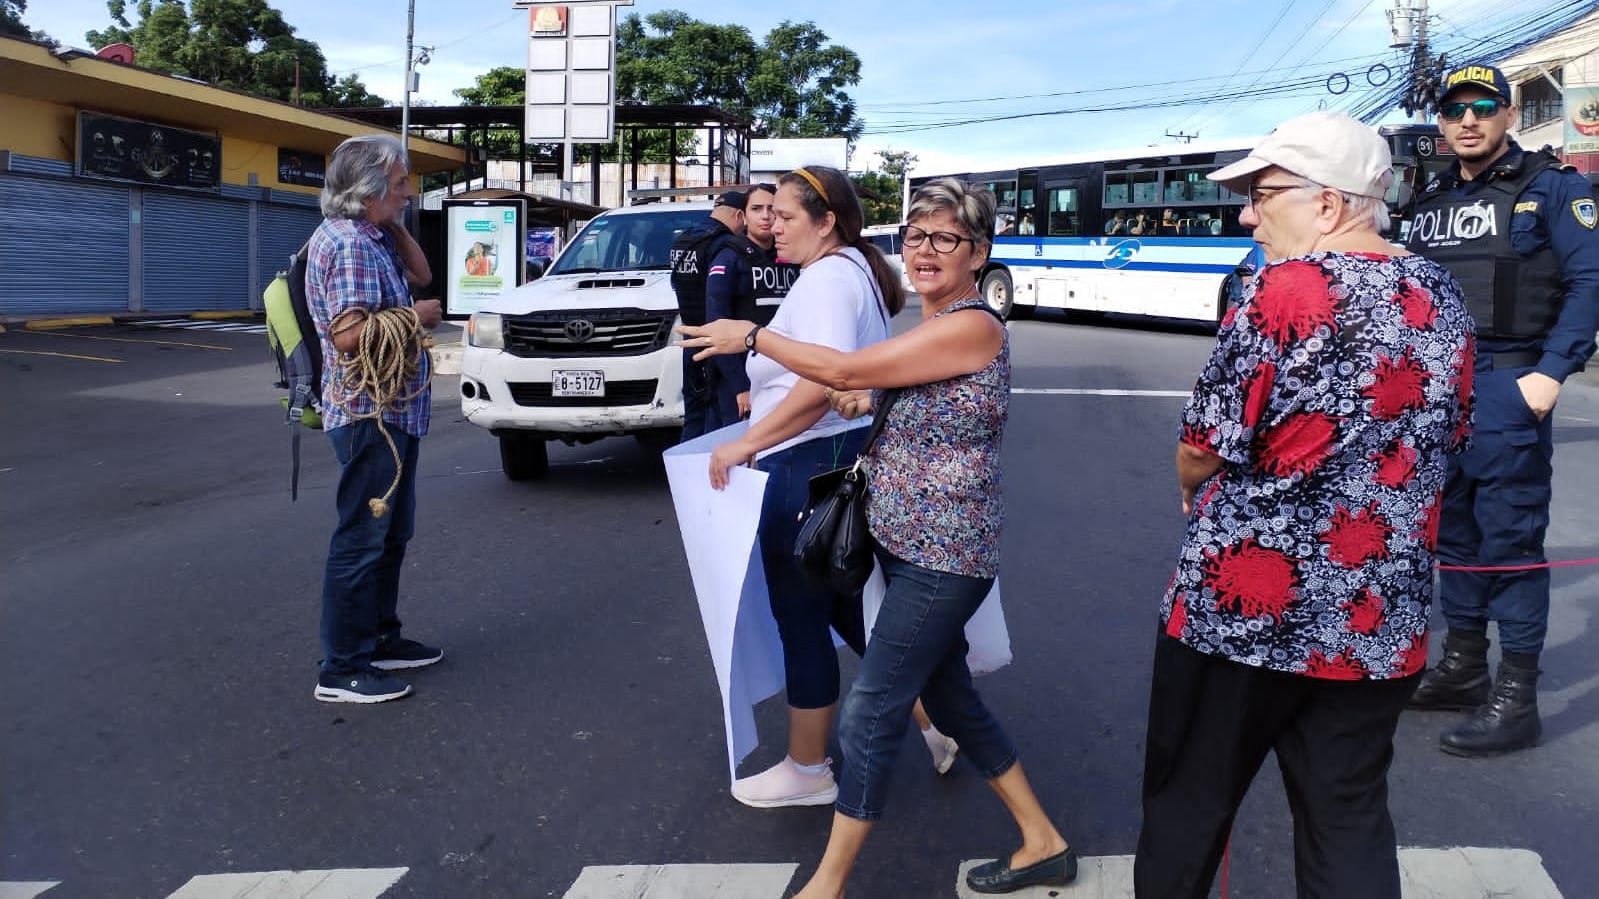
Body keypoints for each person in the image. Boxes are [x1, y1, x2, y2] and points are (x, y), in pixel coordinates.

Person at [682, 177, 1073, 897]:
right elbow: (888, 389)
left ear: (978, 252)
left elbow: (840, 364)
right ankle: (1042, 840)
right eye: (916, 236)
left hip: (942, 557)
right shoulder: (931, 326)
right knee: (950, 701)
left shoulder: (973, 325)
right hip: (906, 542)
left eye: (946, 238)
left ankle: (826, 886)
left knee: (871, 711)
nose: (925, 250)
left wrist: (755, 337)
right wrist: (865, 397)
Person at [1133, 111, 1475, 898]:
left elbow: (1203, 442)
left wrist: (1189, 481)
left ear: (1325, 203)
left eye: (1260, 195)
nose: (1247, 217)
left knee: (1189, 805)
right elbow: (1450, 431)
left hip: (1244, 615)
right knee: (1346, 818)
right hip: (1375, 616)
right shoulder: (1442, 293)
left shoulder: (1286, 289)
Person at [1404, 64, 1599, 757]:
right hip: (1437, 390)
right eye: (1454, 109)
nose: (1468, 121)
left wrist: (1549, 374)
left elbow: (1590, 281)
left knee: (1510, 541)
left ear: (1508, 115)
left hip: (1507, 382)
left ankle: (1517, 698)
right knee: (1453, 534)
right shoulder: (1430, 199)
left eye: (1483, 107)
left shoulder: (1554, 188)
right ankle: (1463, 666)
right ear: (1440, 121)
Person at [304, 134, 444, 704]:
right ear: (368, 190)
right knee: (362, 540)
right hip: (370, 415)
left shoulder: (372, 234)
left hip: (393, 411)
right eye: (401, 183)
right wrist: (415, 318)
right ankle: (341, 668)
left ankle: (380, 638)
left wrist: (394, 221)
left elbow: (422, 274)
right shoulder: (350, 246)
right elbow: (349, 336)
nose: (409, 192)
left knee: (389, 536)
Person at [702, 183, 798, 427]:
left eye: (772, 209)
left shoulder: (792, 257)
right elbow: (716, 326)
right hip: (740, 383)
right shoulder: (729, 258)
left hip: (787, 377)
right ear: (743, 216)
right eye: (756, 209)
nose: (765, 216)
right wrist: (740, 387)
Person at [671, 190, 747, 441]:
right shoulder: (723, 245)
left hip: (690, 337)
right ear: (739, 215)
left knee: (694, 416)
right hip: (716, 342)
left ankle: (686, 464)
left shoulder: (685, 239)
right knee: (720, 421)